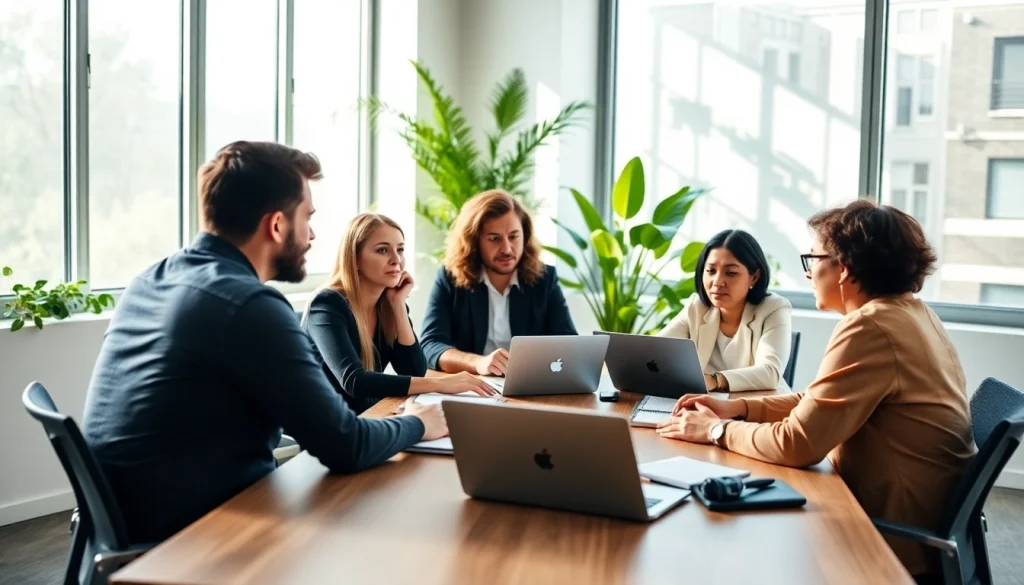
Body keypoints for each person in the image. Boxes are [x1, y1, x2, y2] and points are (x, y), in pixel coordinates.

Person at [82, 141, 446, 544]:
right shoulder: (249, 305)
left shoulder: (150, 279)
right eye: (307, 217)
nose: (312, 234)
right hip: (199, 533)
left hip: (122, 517)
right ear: (276, 226)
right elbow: (346, 445)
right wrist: (420, 423)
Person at [658, 200, 975, 583]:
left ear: (844, 268)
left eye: (813, 259)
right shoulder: (912, 313)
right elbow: (817, 400)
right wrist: (737, 408)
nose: (809, 273)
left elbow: (797, 444)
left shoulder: (870, 328)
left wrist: (714, 430)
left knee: (721, 547)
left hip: (888, 540)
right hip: (919, 518)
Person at [304, 213, 495, 414]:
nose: (396, 260)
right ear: (355, 258)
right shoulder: (327, 305)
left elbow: (414, 370)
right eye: (382, 250)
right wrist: (440, 384)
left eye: (400, 249)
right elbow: (354, 381)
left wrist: (398, 306)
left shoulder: (388, 304)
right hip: (323, 423)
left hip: (368, 417)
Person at [420, 189, 577, 375]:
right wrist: (478, 363)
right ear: (474, 241)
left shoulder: (545, 278)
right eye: (494, 239)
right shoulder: (450, 278)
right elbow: (430, 345)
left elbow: (568, 343)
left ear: (525, 236)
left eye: (514, 237)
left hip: (529, 382)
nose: (507, 249)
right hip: (472, 383)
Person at [657, 229, 792, 392]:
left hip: (755, 403)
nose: (717, 282)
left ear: (754, 277)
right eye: (711, 271)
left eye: (730, 273)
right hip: (703, 402)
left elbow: (769, 373)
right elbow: (654, 351)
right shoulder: (697, 307)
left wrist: (715, 380)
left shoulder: (774, 308)